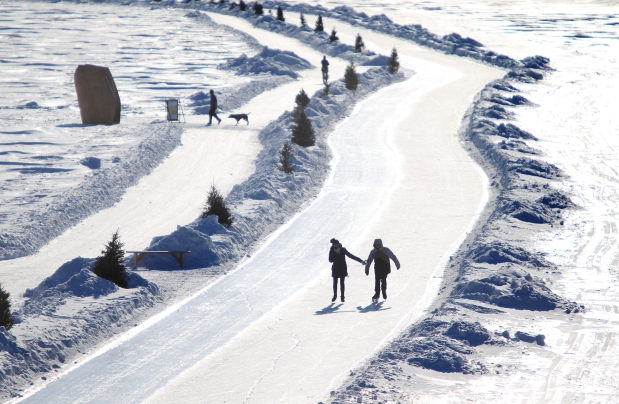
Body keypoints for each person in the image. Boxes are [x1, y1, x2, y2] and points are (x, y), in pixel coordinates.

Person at [329, 238, 365, 303]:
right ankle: (335, 295)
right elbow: (330, 260)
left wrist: (361, 261)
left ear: (339, 244)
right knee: (335, 282)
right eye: (335, 244)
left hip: (342, 268)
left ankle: (342, 296)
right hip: (335, 268)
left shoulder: (343, 250)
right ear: (333, 245)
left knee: (342, 282)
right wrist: (335, 254)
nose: (336, 245)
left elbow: (351, 256)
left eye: (337, 244)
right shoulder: (332, 251)